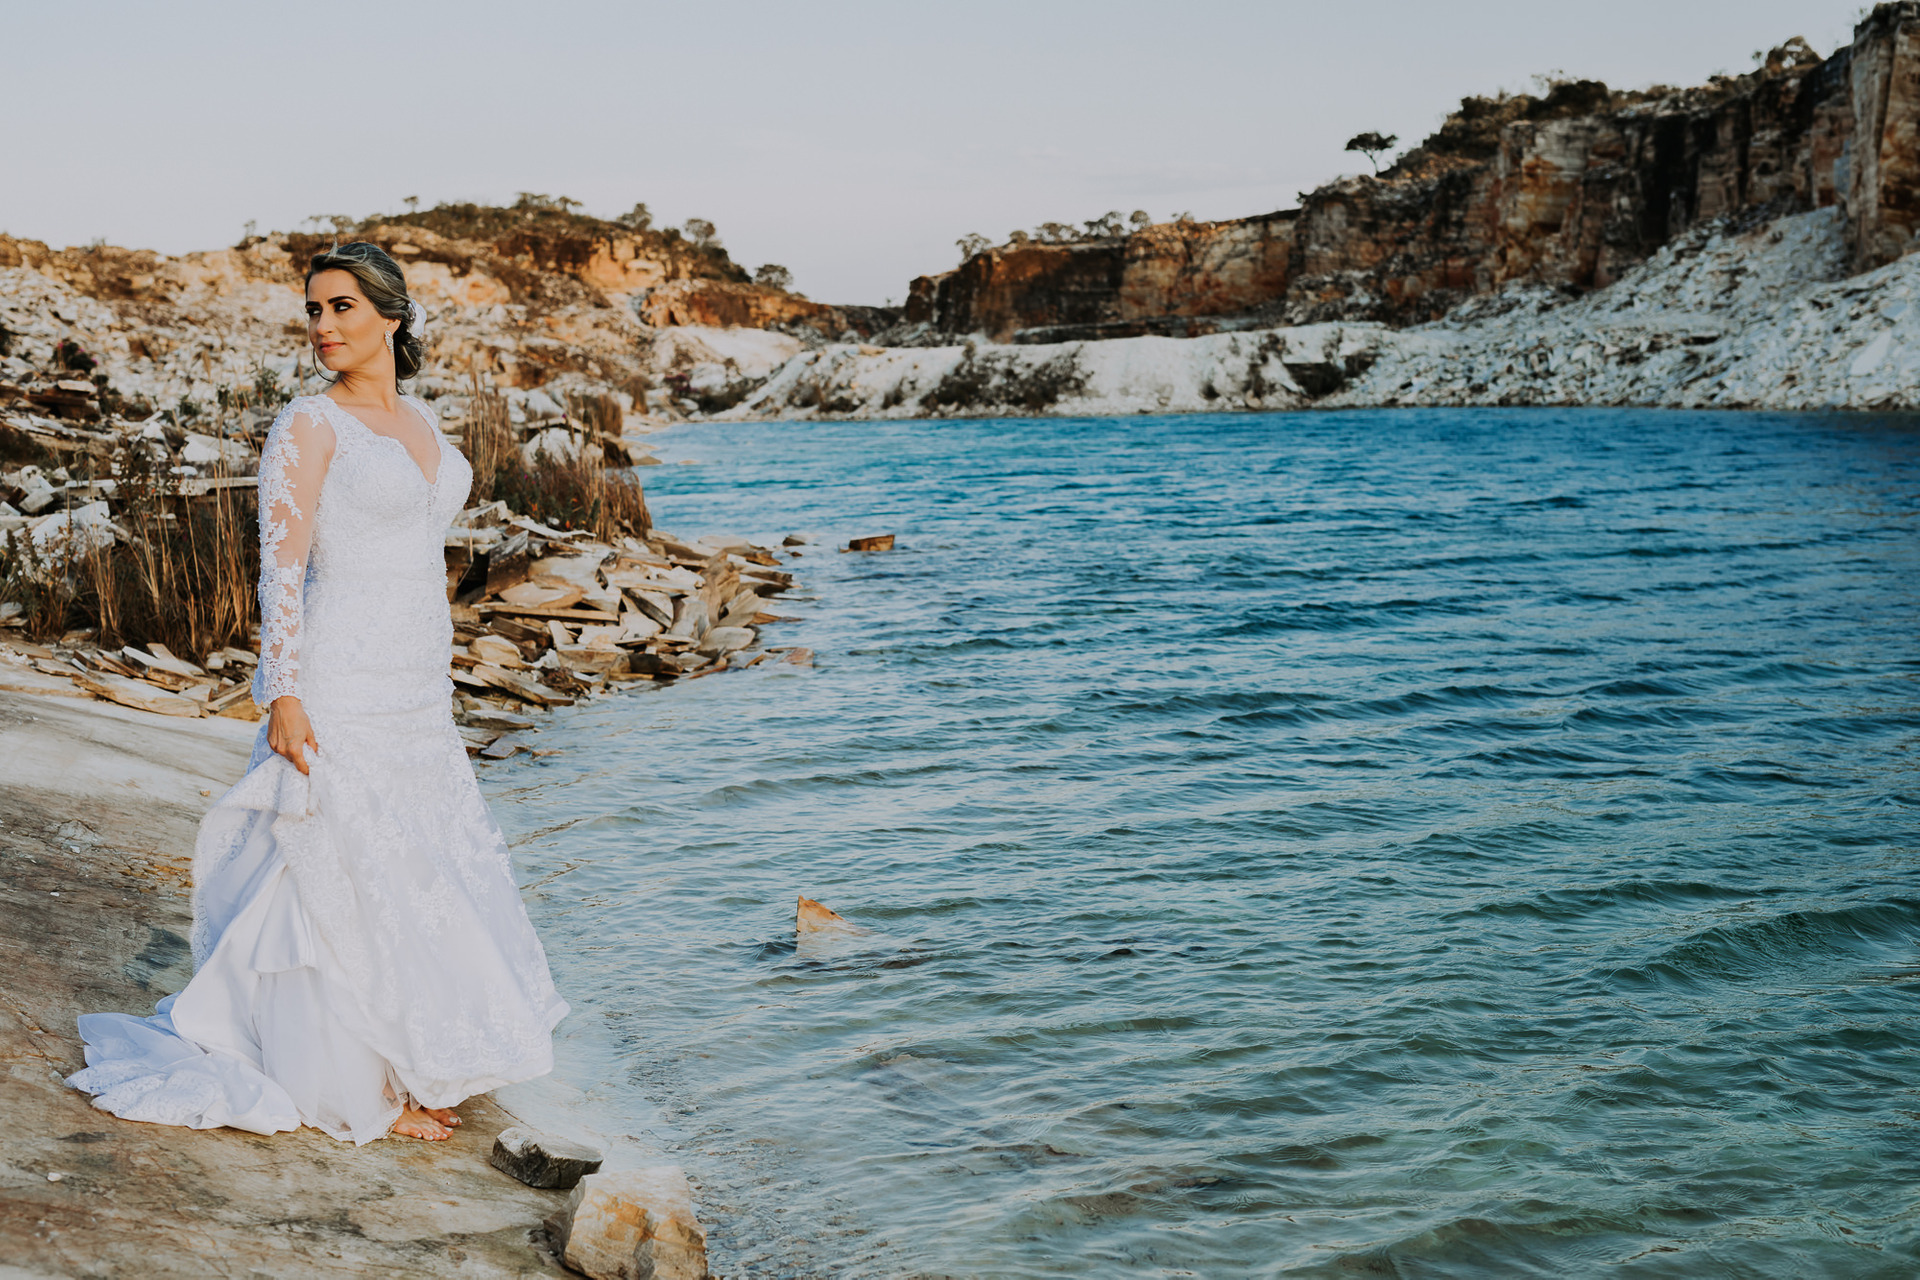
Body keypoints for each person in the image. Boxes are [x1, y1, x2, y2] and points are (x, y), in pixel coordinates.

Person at [67, 243, 568, 1143]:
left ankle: (410, 1053)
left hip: (417, 677)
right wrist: (284, 693)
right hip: (340, 669)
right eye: (314, 309)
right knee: (333, 856)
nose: (323, 326)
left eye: (342, 307)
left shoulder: (420, 419)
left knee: (413, 861)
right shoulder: (308, 423)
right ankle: (350, 1078)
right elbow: (282, 570)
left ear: (393, 316)